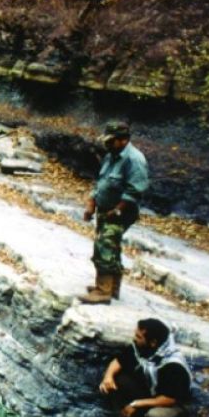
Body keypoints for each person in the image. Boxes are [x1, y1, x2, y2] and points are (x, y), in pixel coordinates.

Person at [79, 120, 149, 304]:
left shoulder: (134, 160)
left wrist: (117, 211)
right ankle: (111, 288)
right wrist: (91, 203)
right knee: (111, 246)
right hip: (105, 209)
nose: (107, 144)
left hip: (121, 212)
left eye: (111, 141)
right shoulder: (112, 155)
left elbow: (135, 190)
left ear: (123, 140)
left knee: (104, 246)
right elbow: (102, 182)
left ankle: (103, 291)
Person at [98, 318, 192, 417]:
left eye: (139, 336)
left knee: (155, 416)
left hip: (173, 403)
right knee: (117, 381)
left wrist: (136, 404)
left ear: (153, 342)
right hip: (151, 393)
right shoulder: (141, 347)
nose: (134, 338)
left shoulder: (173, 366)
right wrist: (108, 377)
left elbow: (169, 399)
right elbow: (119, 361)